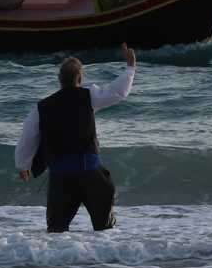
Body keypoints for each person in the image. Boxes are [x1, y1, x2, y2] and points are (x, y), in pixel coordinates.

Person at [15, 43, 137, 233]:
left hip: (62, 180)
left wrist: (23, 165)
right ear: (80, 78)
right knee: (104, 230)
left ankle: (63, 261)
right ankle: (108, 262)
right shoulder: (89, 96)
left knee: (56, 232)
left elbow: (28, 137)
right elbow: (117, 92)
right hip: (92, 176)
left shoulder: (42, 107)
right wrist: (130, 68)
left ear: (59, 80)